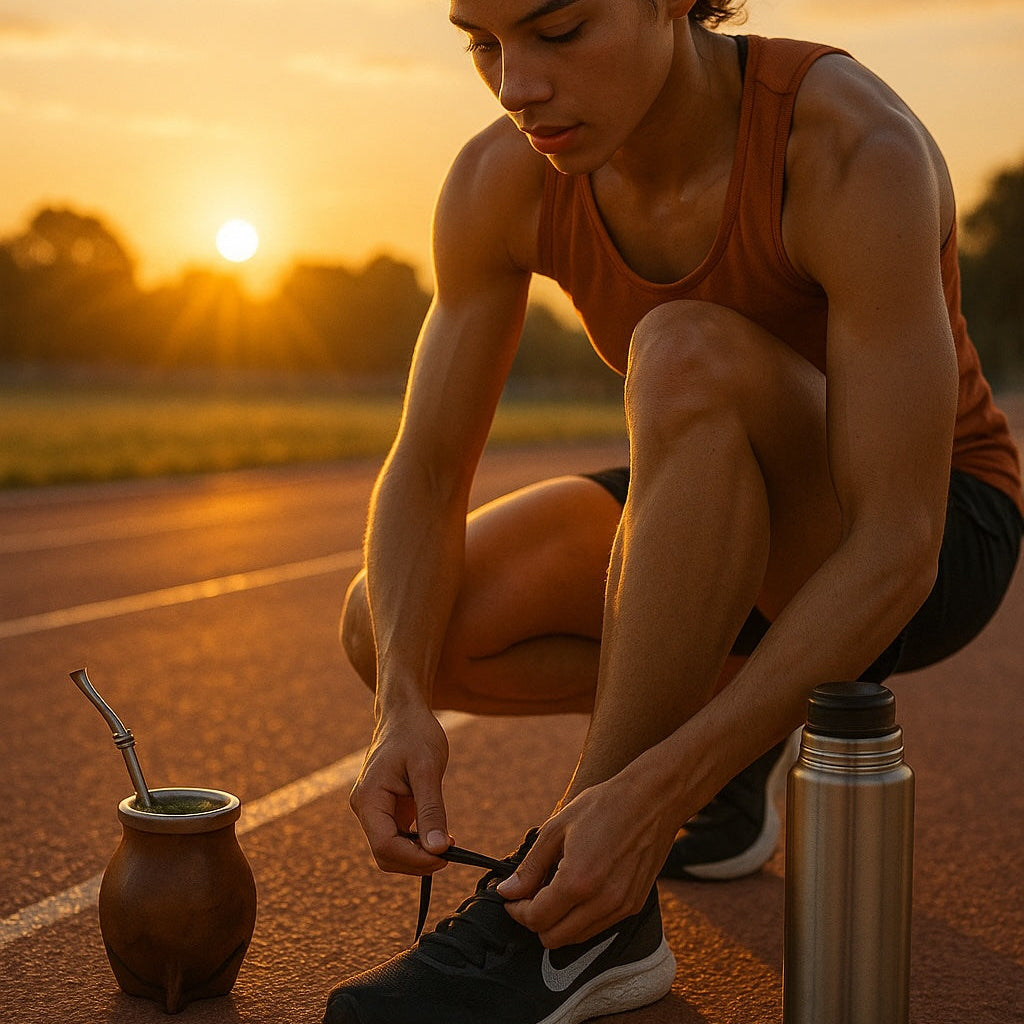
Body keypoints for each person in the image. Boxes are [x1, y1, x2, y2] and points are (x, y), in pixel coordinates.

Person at [325, 2, 1024, 1022]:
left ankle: (591, 914)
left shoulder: (845, 147)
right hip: (717, 486)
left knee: (683, 349)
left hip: (926, 528)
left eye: (557, 32)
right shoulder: (499, 179)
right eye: (482, 42)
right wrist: (396, 704)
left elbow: (897, 545)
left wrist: (648, 797)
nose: (516, 85)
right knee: (391, 622)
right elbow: (426, 472)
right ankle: (737, 753)